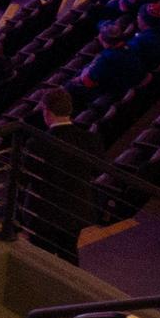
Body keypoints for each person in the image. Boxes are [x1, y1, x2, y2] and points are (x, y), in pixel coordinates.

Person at [20, 88, 102, 263]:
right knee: (69, 254)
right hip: (76, 208)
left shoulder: (37, 143)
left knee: (43, 260)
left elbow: (26, 176)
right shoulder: (90, 138)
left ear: (47, 112)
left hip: (44, 213)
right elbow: (97, 170)